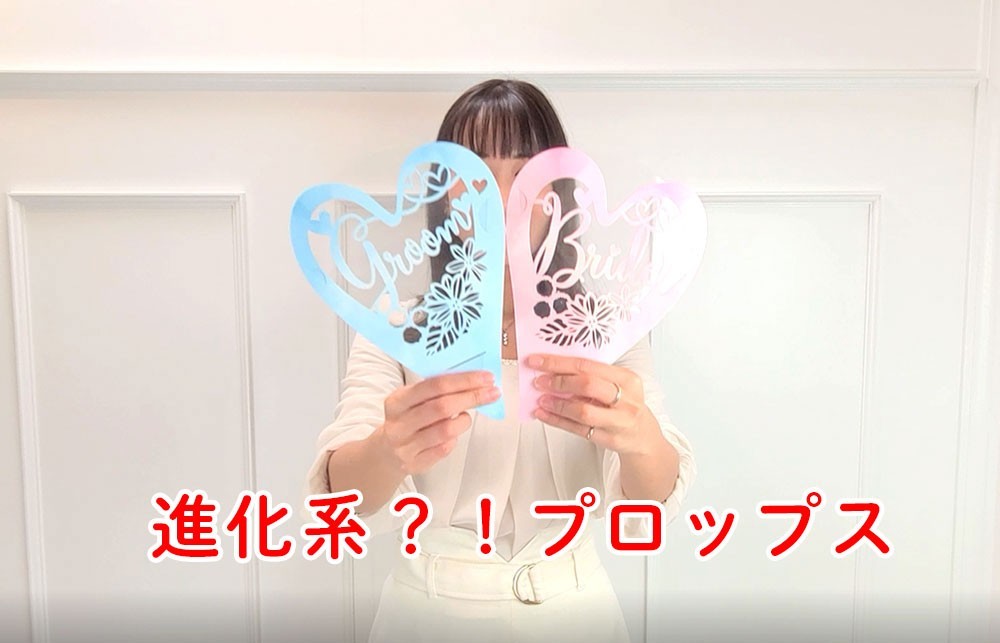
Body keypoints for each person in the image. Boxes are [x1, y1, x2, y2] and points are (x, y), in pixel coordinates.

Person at [304, 78, 697, 643]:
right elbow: (341, 495)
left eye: (527, 174)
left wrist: (639, 439)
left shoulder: (608, 329)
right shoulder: (396, 327)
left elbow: (650, 500)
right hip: (426, 615)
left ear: (561, 192)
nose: (503, 198)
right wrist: (390, 447)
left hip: (576, 613)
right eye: (476, 176)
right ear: (442, 194)